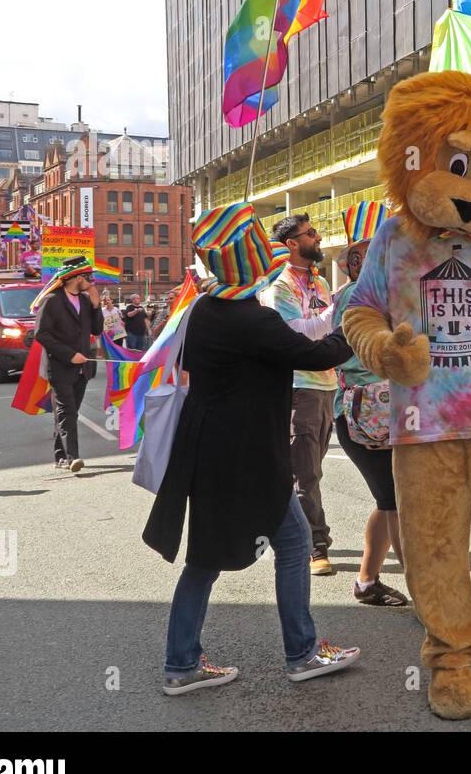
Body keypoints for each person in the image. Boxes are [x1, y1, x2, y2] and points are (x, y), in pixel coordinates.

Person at [143, 204, 359, 694]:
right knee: (285, 545)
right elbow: (318, 353)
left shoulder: (204, 310)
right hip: (247, 457)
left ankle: (183, 662)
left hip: (212, 450)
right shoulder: (250, 319)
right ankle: (300, 653)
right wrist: (355, 325)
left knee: (211, 556)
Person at [330, 240, 409, 606]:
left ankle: (367, 580)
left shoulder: (365, 293)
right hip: (367, 413)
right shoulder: (362, 297)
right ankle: (422, 588)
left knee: (388, 498)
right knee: (395, 498)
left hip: (367, 412)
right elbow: (366, 355)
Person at [261, 213, 339, 576]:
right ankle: (315, 546)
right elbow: (295, 334)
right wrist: (337, 315)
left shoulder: (320, 281)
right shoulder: (279, 287)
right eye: (310, 234)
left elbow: (323, 328)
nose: (318, 237)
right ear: (292, 244)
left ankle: (283, 528)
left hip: (326, 386)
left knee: (311, 471)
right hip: (299, 388)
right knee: (305, 475)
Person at [33, 258, 103, 472]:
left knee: (67, 413)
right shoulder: (52, 300)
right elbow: (41, 334)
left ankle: (60, 456)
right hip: (60, 366)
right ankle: (73, 457)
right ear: (78, 278)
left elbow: (97, 330)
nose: (92, 282)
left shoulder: (84, 300)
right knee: (68, 411)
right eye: (89, 278)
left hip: (83, 368)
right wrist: (69, 355)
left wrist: (95, 304)